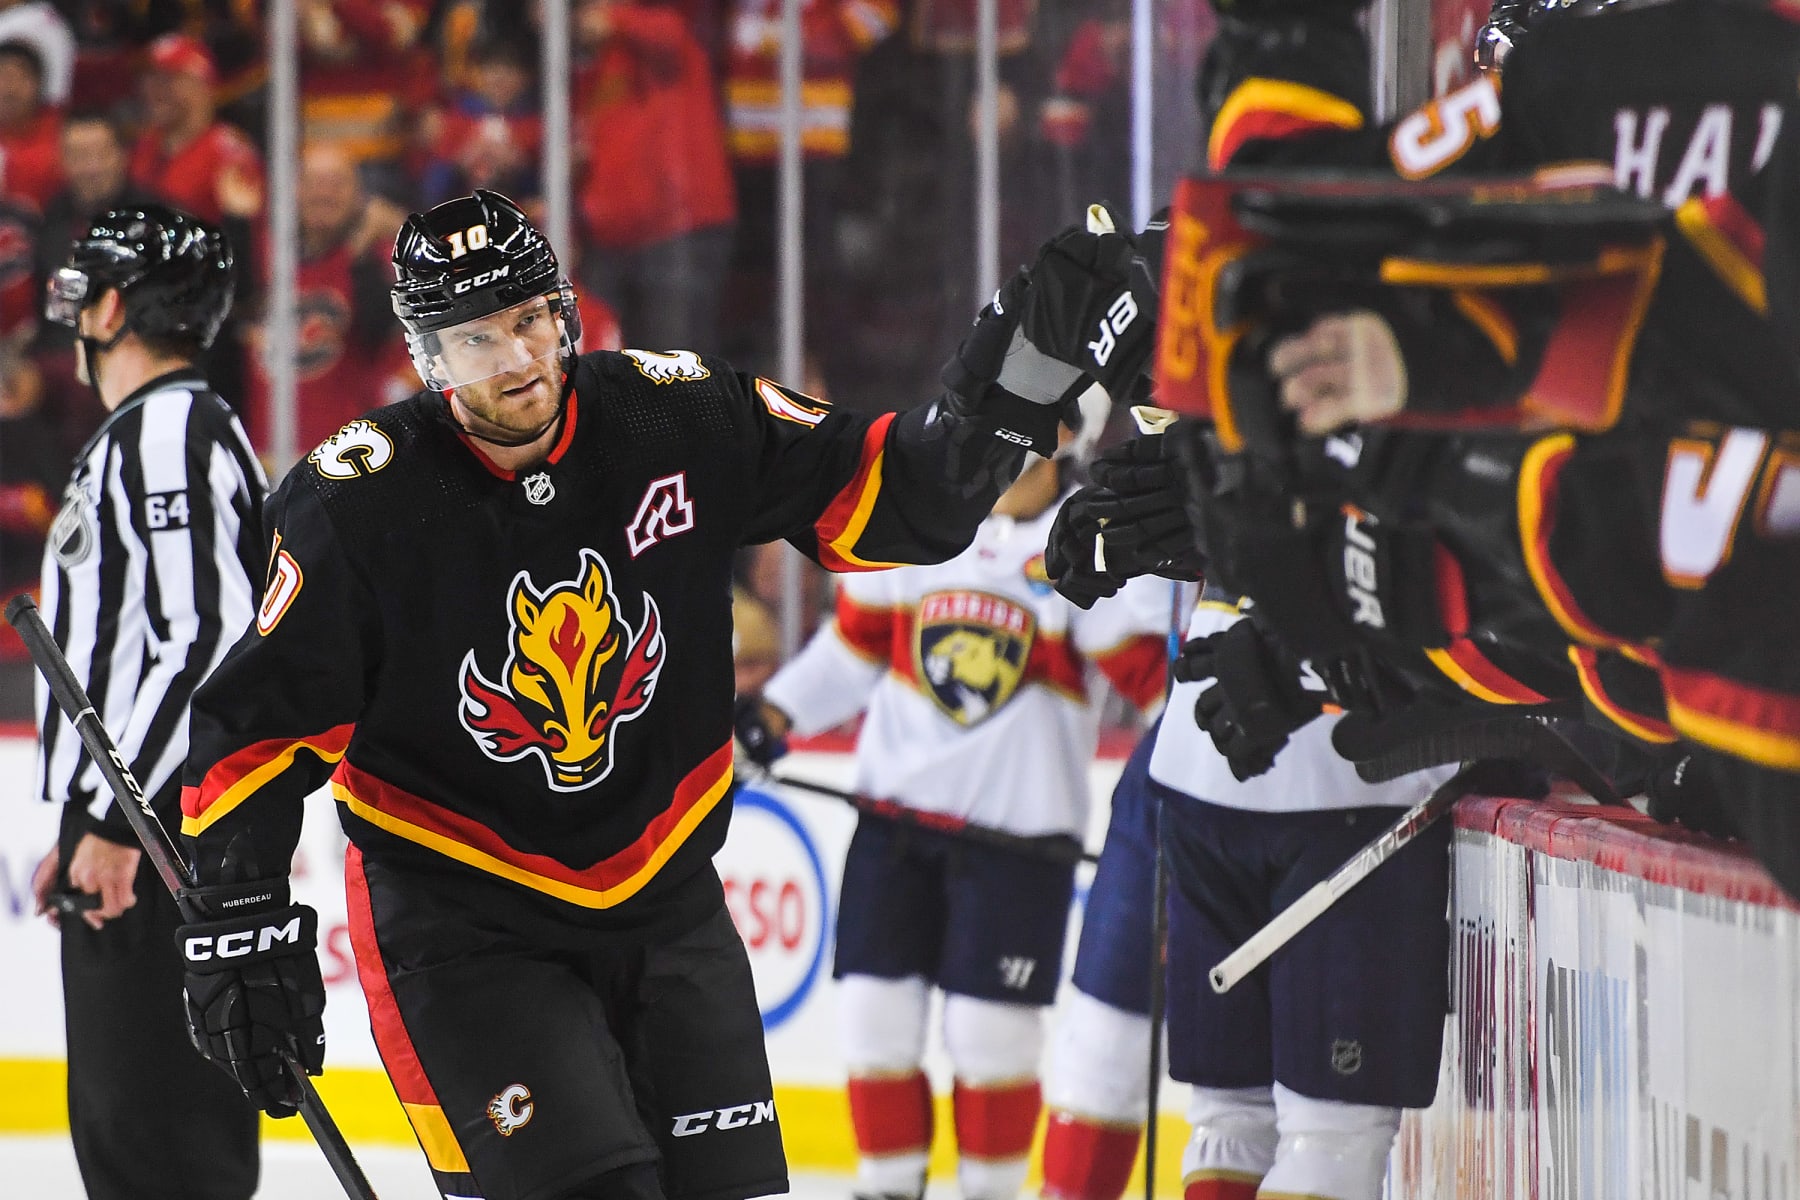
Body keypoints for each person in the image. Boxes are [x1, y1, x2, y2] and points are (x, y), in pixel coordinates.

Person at [173, 187, 1124, 1200]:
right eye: (478, 338)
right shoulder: (356, 502)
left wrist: (1018, 374)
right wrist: (238, 920)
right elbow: (254, 731)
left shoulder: (674, 411)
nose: (519, 359)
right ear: (427, 355)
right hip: (466, 924)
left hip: (668, 900)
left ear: (566, 312)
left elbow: (901, 494)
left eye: (532, 319)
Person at [737, 407, 1170, 1200]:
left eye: (1034, 447)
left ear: (1066, 448)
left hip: (1017, 850)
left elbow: (1150, 684)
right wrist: (774, 714)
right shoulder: (925, 527)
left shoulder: (1084, 546)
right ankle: (887, 1189)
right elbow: (857, 644)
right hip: (892, 826)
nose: (1011, 462)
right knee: (873, 1019)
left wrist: (1191, 764)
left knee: (991, 1036)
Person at [24, 203, 265, 1200]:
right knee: (131, 1130)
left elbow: (203, 639)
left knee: (162, 1143)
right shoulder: (150, 431)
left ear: (115, 305)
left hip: (167, 836)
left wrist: (120, 823)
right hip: (140, 827)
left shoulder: (170, 428)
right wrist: (89, 816)